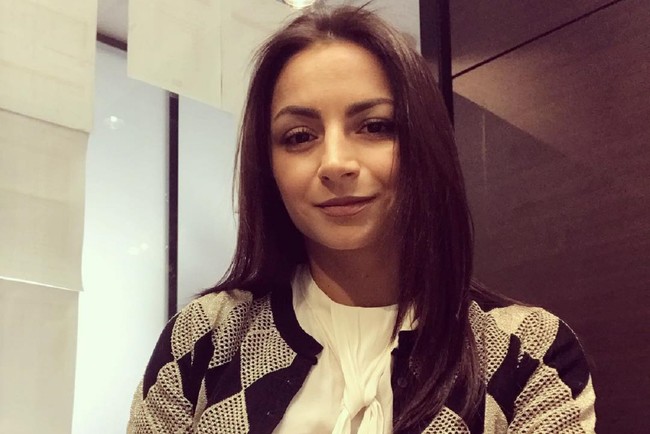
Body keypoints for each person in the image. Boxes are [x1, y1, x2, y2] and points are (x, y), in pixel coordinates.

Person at [128, 5, 596, 433]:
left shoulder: (527, 351)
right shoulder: (205, 337)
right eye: (299, 136)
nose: (335, 163)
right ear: (268, 167)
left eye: (375, 127)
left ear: (424, 144)